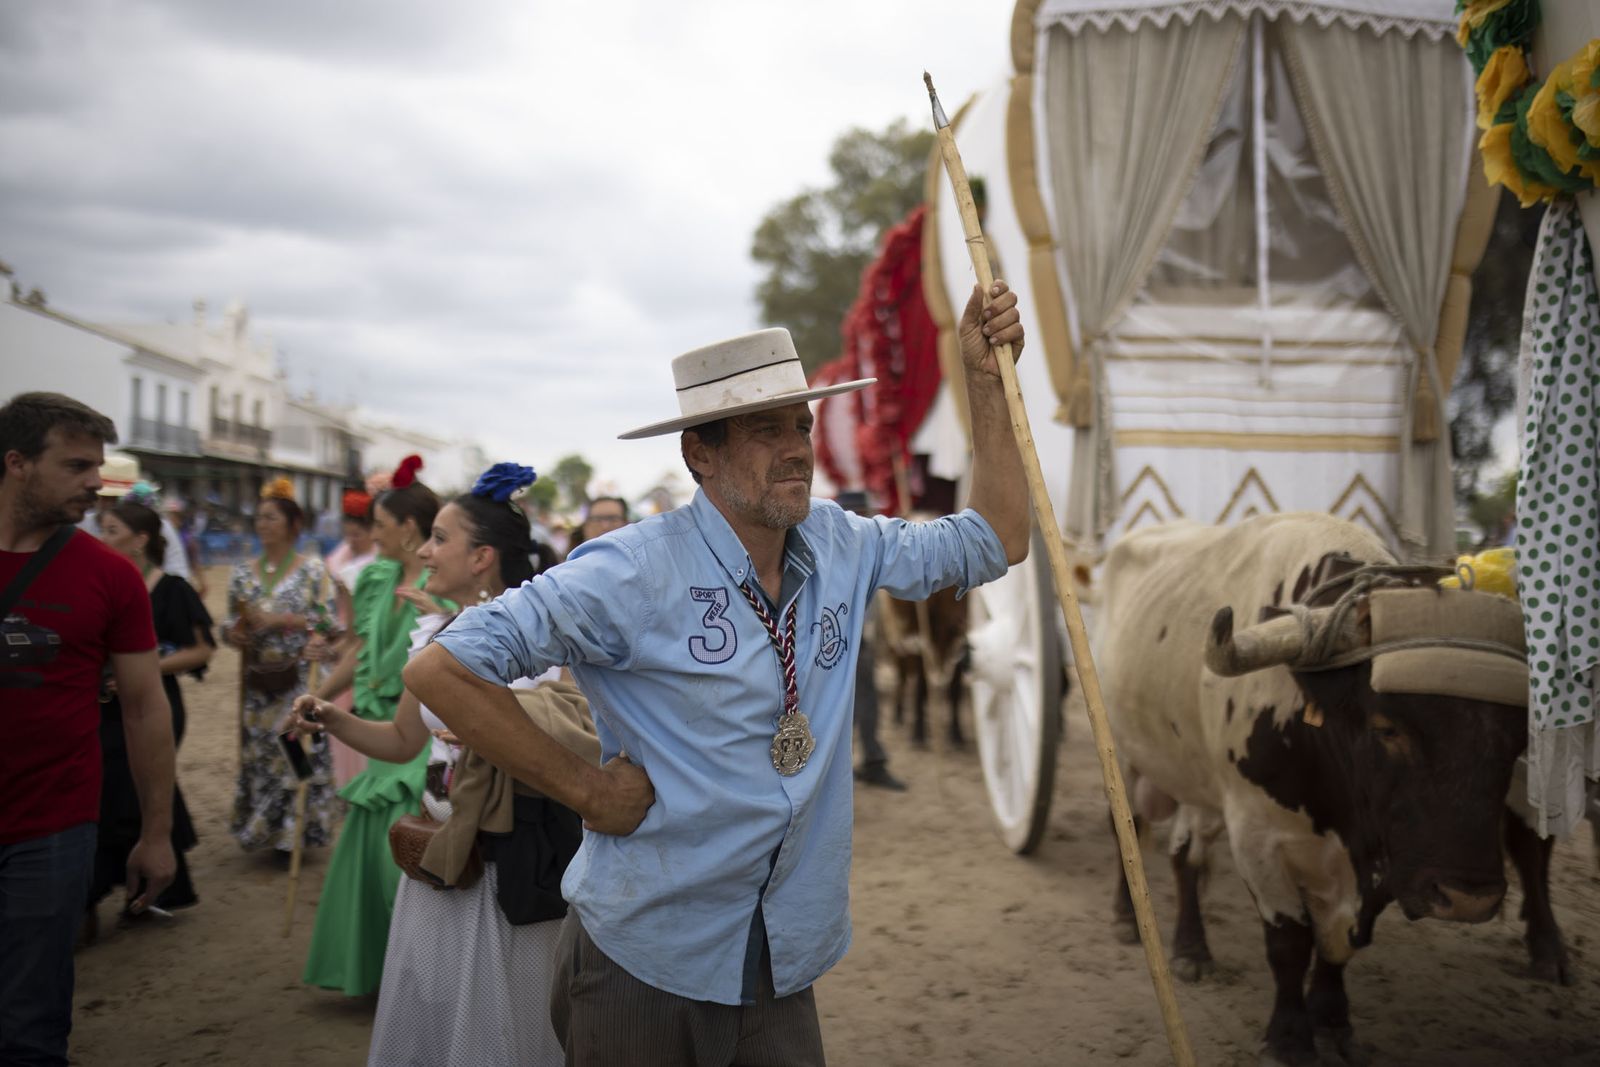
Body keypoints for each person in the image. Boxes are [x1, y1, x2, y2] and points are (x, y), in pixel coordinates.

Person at [406, 282, 1029, 1065]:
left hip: (782, 957)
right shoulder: (629, 570)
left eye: (801, 425)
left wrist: (983, 381)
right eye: (766, 429)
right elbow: (441, 667)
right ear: (699, 453)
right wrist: (587, 790)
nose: (797, 448)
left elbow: (997, 538)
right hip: (645, 960)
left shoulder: (843, 542)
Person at [290, 462, 591, 1066]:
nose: (424, 551)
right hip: (440, 856)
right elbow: (405, 740)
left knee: (510, 1020)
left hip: (513, 863)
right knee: (436, 1010)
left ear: (481, 557)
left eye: (439, 538)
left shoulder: (549, 642)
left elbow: (582, 739)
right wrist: (332, 718)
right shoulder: (436, 639)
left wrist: (503, 732)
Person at [0, 392, 176, 1066]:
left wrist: (155, 834)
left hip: (53, 828)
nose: (96, 482)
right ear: (17, 462)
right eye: (76, 466)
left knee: (30, 1026)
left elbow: (144, 706)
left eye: (97, 466)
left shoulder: (110, 575)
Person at [303, 454, 450, 996]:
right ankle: (376, 977)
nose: (371, 533)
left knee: (403, 860)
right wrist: (318, 698)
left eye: (380, 524)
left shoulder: (445, 584)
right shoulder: (373, 578)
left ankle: (418, 983)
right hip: (374, 729)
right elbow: (359, 651)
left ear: (408, 528)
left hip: (423, 736)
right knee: (372, 853)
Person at [88, 495, 214, 926]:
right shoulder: (102, 586)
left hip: (156, 702)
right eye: (102, 530)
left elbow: (201, 651)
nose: (103, 539)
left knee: (142, 783)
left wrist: (143, 668)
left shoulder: (172, 589)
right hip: (104, 706)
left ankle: (146, 887)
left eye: (112, 531)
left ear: (140, 539)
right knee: (111, 790)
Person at [224, 478, 337, 855]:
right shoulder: (242, 573)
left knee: (297, 749)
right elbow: (228, 623)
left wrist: (282, 620)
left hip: (298, 680)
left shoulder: (313, 572)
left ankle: (297, 831)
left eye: (271, 517)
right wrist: (235, 632)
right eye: (259, 517)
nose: (263, 524)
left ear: (293, 524)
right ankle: (266, 830)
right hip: (258, 683)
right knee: (261, 754)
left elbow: (329, 622)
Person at [833, 490, 906, 791]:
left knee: (864, 699)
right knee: (841, 705)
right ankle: (847, 765)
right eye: (861, 514)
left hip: (858, 637)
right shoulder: (835, 553)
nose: (865, 519)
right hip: (836, 640)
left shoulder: (860, 550)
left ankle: (871, 760)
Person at [322, 488, 380, 787]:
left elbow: (357, 630)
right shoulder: (339, 560)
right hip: (345, 640)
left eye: (358, 534)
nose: (352, 540)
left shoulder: (373, 568)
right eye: (348, 534)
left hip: (358, 644)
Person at [81, 453, 191, 582]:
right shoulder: (82, 525)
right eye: (105, 497)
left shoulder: (158, 526)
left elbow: (177, 572)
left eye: (117, 499)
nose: (110, 505)